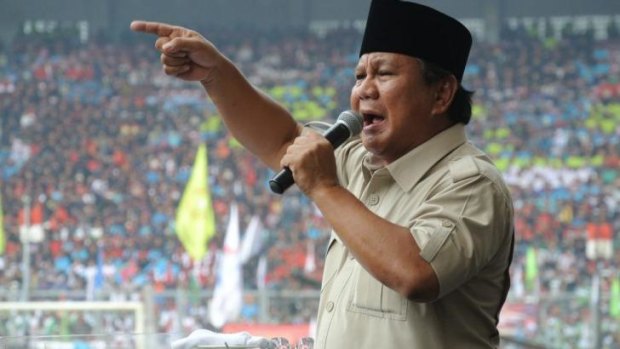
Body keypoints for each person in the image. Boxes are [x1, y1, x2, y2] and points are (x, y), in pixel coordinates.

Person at [131, 0, 514, 347]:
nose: (364, 90)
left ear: (442, 93)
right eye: (359, 75)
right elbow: (282, 141)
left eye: (383, 74)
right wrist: (216, 74)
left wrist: (325, 186)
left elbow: (416, 273)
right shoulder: (357, 161)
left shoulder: (470, 181)